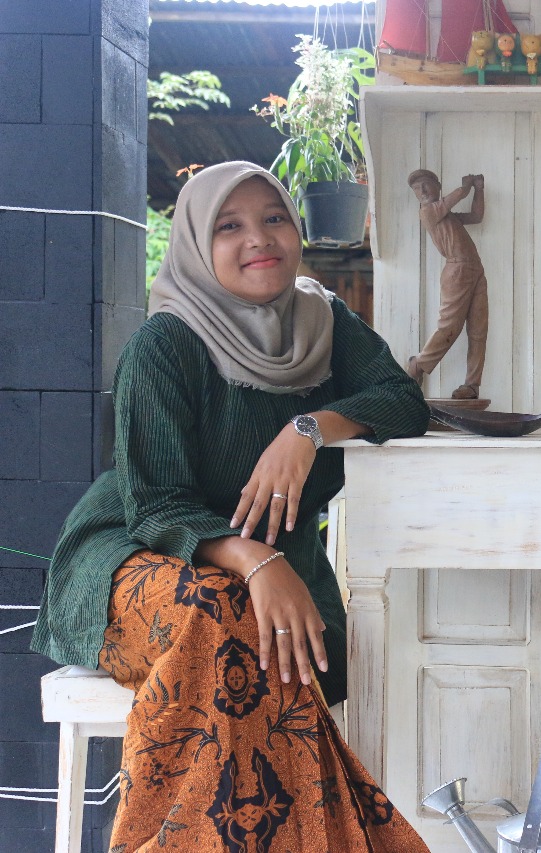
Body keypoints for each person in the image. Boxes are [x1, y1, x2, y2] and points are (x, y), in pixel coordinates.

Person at [31, 161, 434, 851]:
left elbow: (403, 401)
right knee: (220, 612)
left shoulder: (323, 322)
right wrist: (256, 560)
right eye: (229, 226)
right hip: (133, 556)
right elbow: (156, 505)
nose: (259, 238)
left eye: (273, 217)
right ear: (196, 244)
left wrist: (308, 428)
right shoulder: (164, 344)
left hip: (269, 574)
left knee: (250, 637)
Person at [405, 169, 488, 400]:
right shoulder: (428, 212)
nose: (422, 191)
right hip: (457, 270)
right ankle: (418, 365)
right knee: (449, 326)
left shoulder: (447, 215)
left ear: (438, 186)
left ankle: (472, 385)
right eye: (417, 188)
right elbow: (455, 197)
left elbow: (476, 216)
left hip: (475, 269)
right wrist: (466, 186)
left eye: (426, 184)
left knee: (478, 331)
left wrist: (479, 190)